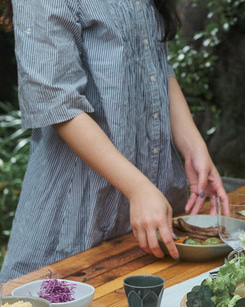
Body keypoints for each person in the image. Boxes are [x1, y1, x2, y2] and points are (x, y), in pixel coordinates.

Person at [0, 0, 227, 281]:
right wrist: (138, 188)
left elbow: (156, 63)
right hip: (76, 219)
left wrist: (194, 147)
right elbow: (58, 104)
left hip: (152, 210)